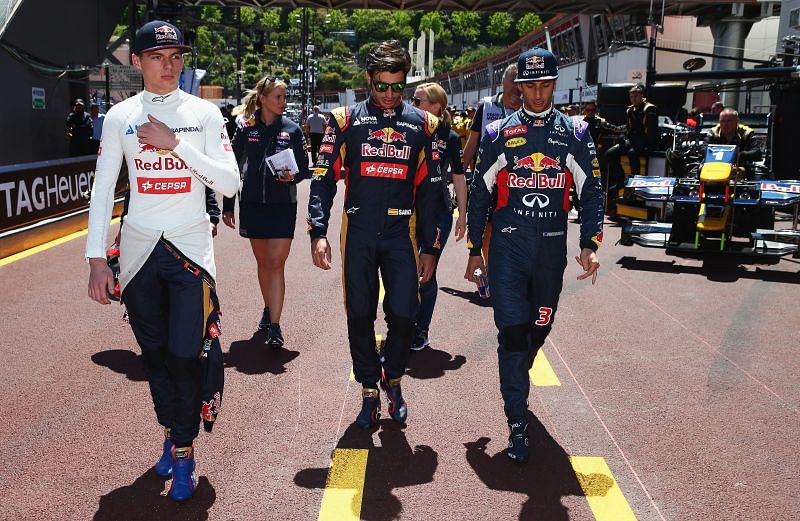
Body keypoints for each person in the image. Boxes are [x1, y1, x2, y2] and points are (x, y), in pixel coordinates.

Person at [85, 20, 240, 502]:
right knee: (154, 359)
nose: (168, 65)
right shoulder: (119, 117)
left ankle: (185, 452)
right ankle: (174, 432)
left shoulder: (205, 114)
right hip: (136, 256)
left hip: (191, 252)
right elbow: (101, 190)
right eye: (157, 56)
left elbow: (230, 183)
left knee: (184, 356)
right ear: (138, 62)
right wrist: (95, 258)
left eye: (176, 56)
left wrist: (177, 145)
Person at [465, 47, 603, 463]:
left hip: (550, 252)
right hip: (508, 250)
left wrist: (590, 243)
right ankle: (516, 422)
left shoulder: (576, 133)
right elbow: (478, 195)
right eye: (531, 85)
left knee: (538, 328)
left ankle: (518, 372)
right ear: (519, 86)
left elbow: (593, 192)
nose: (539, 94)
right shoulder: (497, 134)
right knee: (511, 334)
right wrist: (475, 249)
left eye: (545, 85)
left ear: (554, 85)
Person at [308, 40, 441, 430]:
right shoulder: (344, 120)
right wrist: (319, 230)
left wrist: (431, 247)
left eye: (397, 87)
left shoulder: (425, 124)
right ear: (368, 80)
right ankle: (369, 390)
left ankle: (393, 378)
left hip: (403, 232)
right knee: (360, 314)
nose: (388, 95)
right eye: (381, 86)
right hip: (360, 230)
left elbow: (432, 190)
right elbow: (322, 178)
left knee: (404, 315)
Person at [222, 76, 310, 346]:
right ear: (262, 99)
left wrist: (292, 177)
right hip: (252, 205)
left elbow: (305, 169)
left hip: (283, 207)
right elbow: (231, 168)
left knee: (276, 264)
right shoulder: (246, 129)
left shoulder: (293, 130)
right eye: (278, 97)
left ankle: (275, 326)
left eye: (285, 97)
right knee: (263, 264)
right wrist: (227, 206)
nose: (283, 102)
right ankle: (268, 307)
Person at [410, 82, 467, 351]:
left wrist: (462, 215)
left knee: (427, 274)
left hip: (439, 214)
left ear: (436, 106)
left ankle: (421, 329)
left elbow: (458, 177)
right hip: (407, 212)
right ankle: (404, 324)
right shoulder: (407, 130)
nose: (413, 105)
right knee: (403, 270)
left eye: (418, 101)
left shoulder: (450, 137)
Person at [462, 63, 522, 267]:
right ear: (503, 82)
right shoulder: (486, 106)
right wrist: (458, 176)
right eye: (512, 79)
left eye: (520, 80)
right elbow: (471, 144)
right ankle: (489, 272)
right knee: (487, 229)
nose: (516, 85)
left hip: (518, 180)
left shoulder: (530, 108)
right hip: (489, 181)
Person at [605, 83, 658, 188]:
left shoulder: (649, 109)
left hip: (644, 139)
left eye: (636, 95)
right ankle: (621, 181)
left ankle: (636, 183)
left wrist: (650, 146)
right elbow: (629, 128)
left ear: (642, 95)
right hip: (632, 139)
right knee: (609, 153)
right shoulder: (630, 110)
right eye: (631, 96)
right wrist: (622, 136)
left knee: (632, 153)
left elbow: (652, 130)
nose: (633, 98)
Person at [704, 108, 762, 179]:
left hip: (739, 167)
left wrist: (739, 155)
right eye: (723, 121)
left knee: (745, 170)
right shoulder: (713, 132)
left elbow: (757, 151)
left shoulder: (747, 132)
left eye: (729, 121)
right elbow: (703, 148)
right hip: (714, 167)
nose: (725, 124)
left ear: (737, 121)